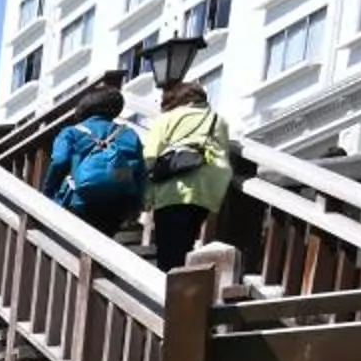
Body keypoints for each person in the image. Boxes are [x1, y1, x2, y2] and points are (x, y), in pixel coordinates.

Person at [143, 79, 236, 271]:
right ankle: (182, 285)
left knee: (169, 250)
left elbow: (149, 157)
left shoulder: (167, 119)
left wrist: (145, 197)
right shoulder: (218, 120)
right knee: (186, 242)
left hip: (172, 191)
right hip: (206, 192)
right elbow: (224, 153)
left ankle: (169, 290)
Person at [45, 81, 146, 241]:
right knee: (105, 240)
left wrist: (48, 192)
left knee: (78, 242)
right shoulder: (129, 133)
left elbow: (59, 161)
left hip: (80, 198)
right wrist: (137, 204)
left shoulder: (71, 132)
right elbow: (139, 172)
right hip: (119, 201)